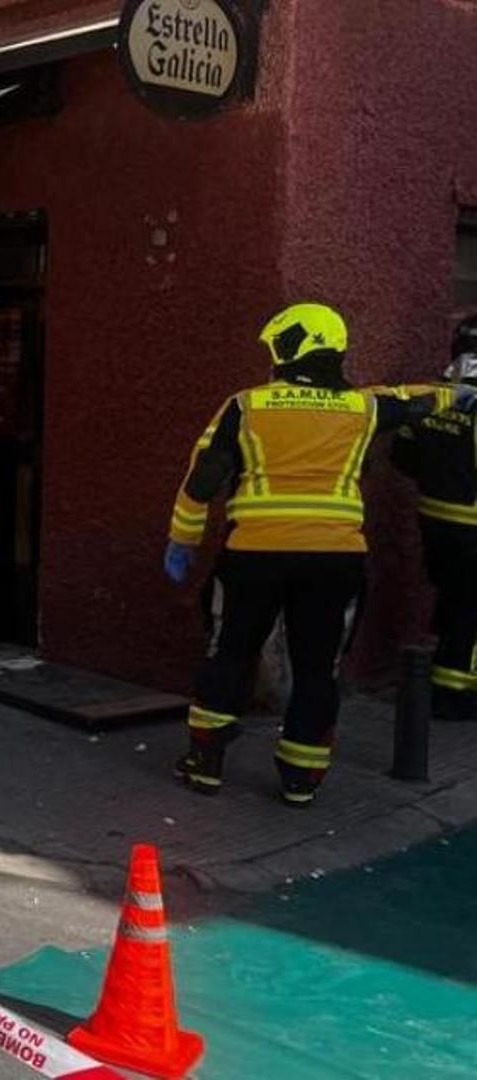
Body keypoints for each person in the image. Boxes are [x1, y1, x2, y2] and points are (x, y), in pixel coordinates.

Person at [165, 302, 471, 806]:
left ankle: (205, 762)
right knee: (318, 666)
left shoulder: (246, 407)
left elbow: (203, 480)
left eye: (275, 348)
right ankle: (301, 779)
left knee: (231, 652)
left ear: (292, 349)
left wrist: (183, 540)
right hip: (334, 560)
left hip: (253, 556)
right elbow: (411, 403)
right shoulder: (362, 409)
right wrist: (457, 398)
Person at [393, 316, 477, 722]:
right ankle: (455, 693)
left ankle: (439, 675)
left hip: (433, 518)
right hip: (472, 526)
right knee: (470, 612)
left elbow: (402, 456)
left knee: (454, 600)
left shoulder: (434, 398)